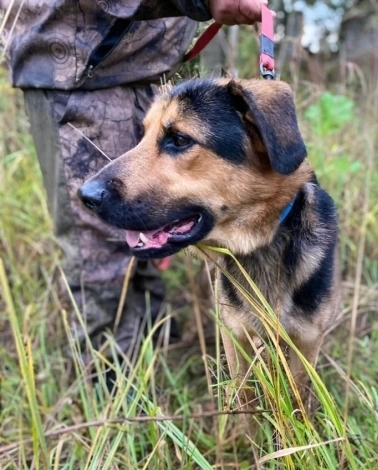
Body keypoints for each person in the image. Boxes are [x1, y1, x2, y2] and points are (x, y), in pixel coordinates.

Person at [0, 0, 267, 359]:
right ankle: (108, 390)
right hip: (77, 64)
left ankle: (156, 354)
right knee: (100, 242)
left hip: (139, 63)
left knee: (147, 226)